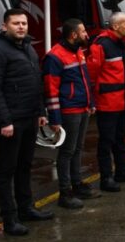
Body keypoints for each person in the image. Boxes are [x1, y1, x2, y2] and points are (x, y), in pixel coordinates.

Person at [0, 9, 53, 236]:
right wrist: (4, 120)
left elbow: (36, 82)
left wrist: (41, 110)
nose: (21, 27)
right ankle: (9, 219)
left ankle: (26, 208)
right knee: (6, 170)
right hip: (10, 122)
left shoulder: (28, 48)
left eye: (24, 23)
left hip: (29, 117)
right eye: (16, 23)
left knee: (25, 166)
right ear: (5, 26)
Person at [42, 18, 98, 209]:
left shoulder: (78, 52)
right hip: (68, 111)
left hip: (82, 108)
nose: (86, 35)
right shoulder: (55, 57)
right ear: (73, 35)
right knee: (67, 152)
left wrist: (90, 103)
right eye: (83, 32)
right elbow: (51, 90)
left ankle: (77, 184)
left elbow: (84, 79)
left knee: (77, 149)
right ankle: (65, 193)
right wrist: (55, 119)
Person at [88, 12, 125, 192]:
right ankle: (106, 178)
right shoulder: (101, 45)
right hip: (107, 103)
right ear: (116, 26)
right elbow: (93, 75)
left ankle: (121, 171)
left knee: (120, 139)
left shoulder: (122, 44)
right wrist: (93, 101)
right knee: (106, 141)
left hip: (122, 101)